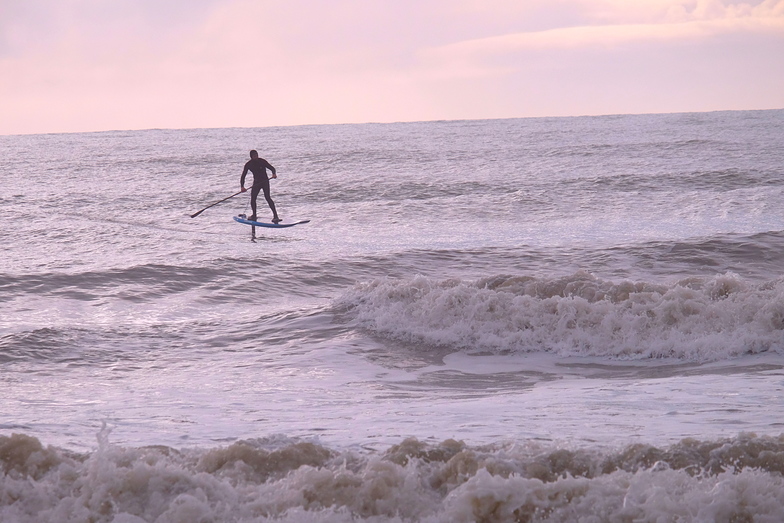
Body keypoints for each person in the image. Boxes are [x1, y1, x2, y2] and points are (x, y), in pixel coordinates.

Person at [240, 150, 281, 223]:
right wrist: (242, 187)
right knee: (253, 199)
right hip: (256, 183)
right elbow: (243, 176)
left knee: (267, 197)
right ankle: (254, 215)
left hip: (265, 182)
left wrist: (273, 174)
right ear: (251, 157)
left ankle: (275, 216)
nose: (256, 157)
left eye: (256, 155)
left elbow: (272, 168)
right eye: (254, 156)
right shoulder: (248, 164)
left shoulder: (262, 161)